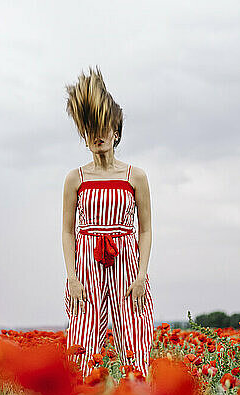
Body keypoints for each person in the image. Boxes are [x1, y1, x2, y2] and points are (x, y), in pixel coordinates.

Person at [62, 66, 155, 378]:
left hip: (126, 260)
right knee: (82, 335)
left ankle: (139, 392)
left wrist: (141, 274)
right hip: (87, 260)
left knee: (135, 332)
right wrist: (72, 277)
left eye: (105, 129)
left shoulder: (135, 176)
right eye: (92, 130)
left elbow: (145, 228)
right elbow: (66, 230)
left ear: (116, 132)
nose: (98, 136)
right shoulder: (76, 177)